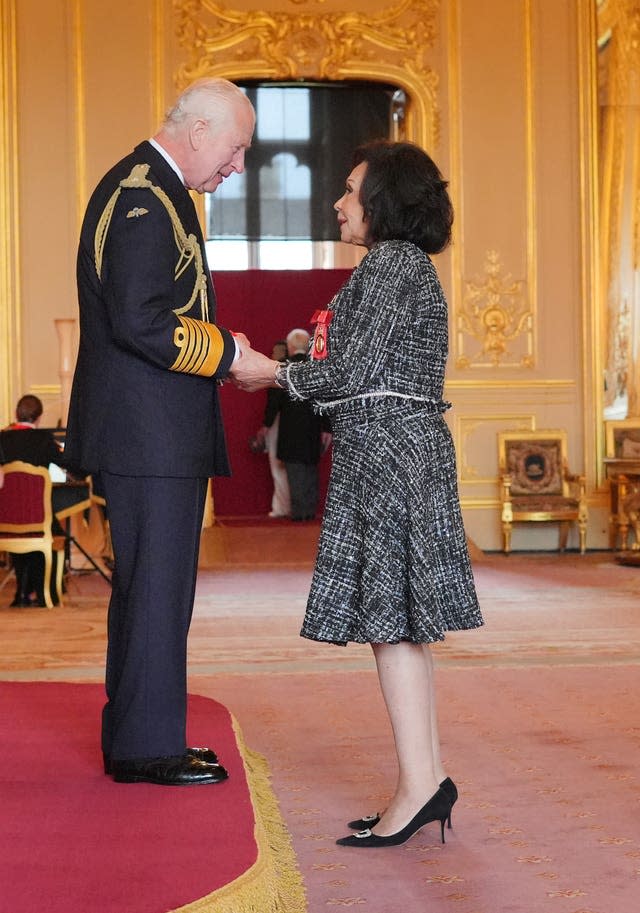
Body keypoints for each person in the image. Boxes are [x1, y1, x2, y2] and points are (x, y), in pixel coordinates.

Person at [232, 140, 484, 846]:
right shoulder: (407, 266)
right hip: (399, 447)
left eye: (349, 189)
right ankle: (425, 779)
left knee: (391, 623)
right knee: (399, 621)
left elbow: (349, 371)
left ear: (383, 201)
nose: (338, 201)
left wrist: (268, 372)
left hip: (389, 453)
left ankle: (419, 786)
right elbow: (357, 368)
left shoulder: (391, 263)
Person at [64, 77, 256, 786]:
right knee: (156, 589)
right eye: (235, 149)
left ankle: (145, 736)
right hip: (147, 436)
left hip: (152, 432)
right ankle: (147, 748)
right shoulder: (146, 196)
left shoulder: (154, 188)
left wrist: (221, 346)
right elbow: (141, 319)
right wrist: (229, 354)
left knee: (155, 589)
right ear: (200, 131)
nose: (236, 166)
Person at [0, 394, 66, 606]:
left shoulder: (2, 438)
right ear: (38, 418)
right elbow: (68, 464)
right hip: (39, 516)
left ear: (15, 414)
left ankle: (21, 593)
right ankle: (44, 594)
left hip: (6, 519)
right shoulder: (44, 441)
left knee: (20, 528)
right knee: (55, 532)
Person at [265, 329, 331, 521]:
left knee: (294, 471)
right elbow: (326, 399)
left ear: (290, 346)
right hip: (313, 428)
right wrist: (327, 428)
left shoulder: (285, 368)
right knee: (311, 469)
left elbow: (274, 401)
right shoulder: (316, 367)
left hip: (290, 429)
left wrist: (266, 425)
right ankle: (309, 510)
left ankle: (299, 512)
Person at [254, 340, 291, 518]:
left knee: (278, 466)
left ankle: (282, 507)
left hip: (279, 424)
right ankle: (286, 506)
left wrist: (266, 426)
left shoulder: (279, 372)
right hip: (289, 425)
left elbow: (273, 403)